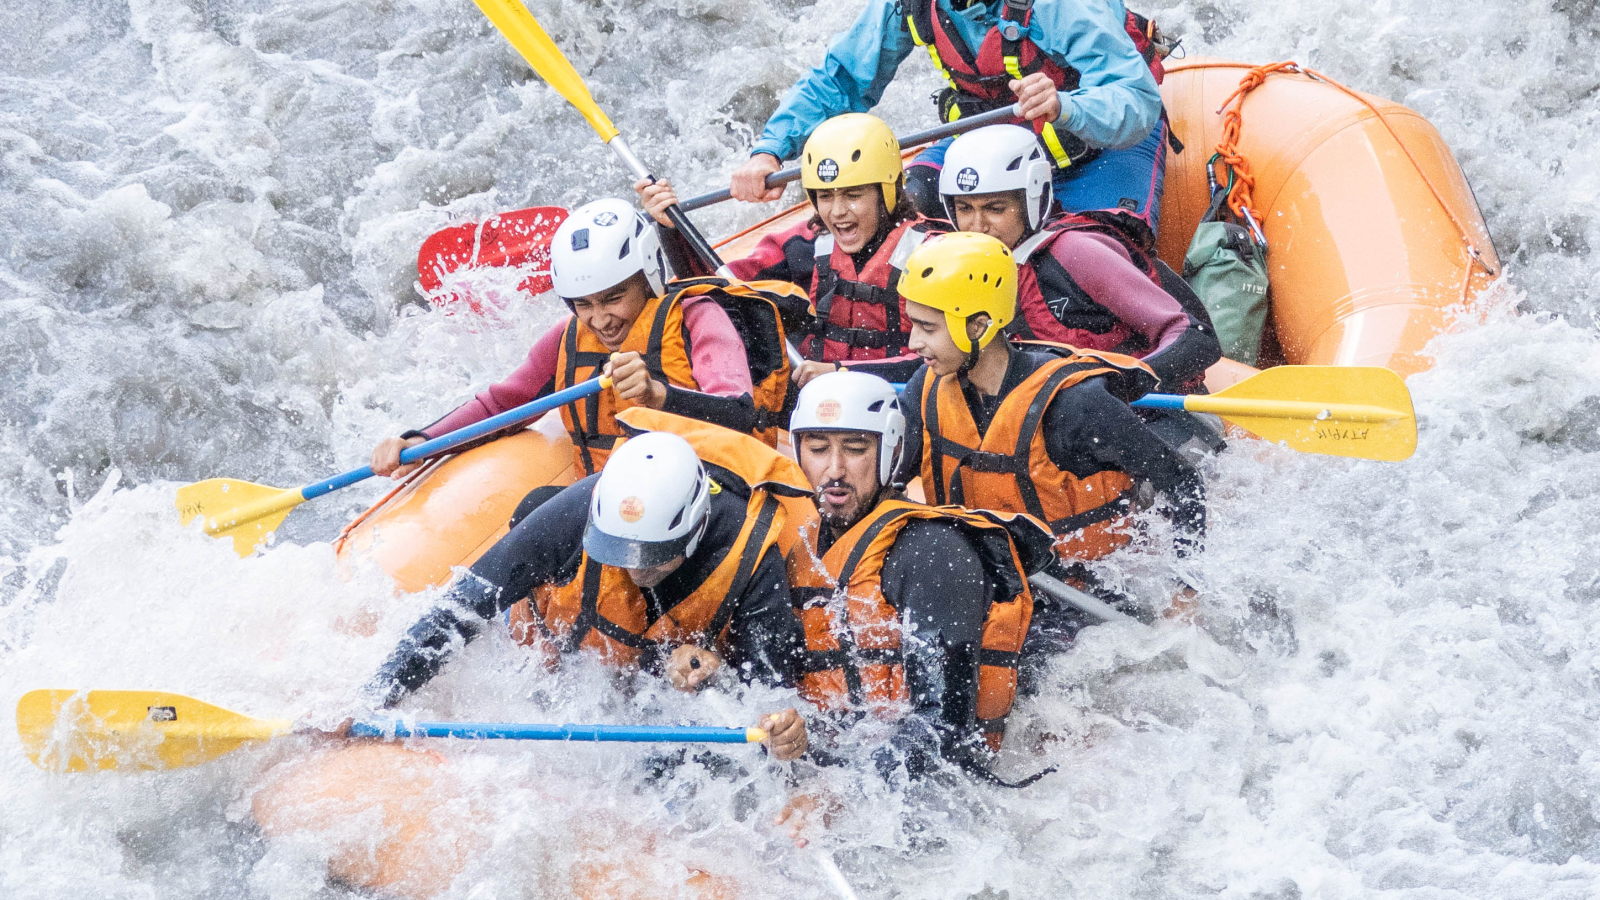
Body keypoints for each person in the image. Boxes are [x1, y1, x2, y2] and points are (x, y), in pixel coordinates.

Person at [358, 428, 810, 760]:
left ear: (693, 528)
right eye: (622, 553)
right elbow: (459, 610)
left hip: (660, 702)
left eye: (654, 557)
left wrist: (721, 674)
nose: (635, 569)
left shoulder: (751, 558)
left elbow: (770, 700)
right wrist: (374, 698)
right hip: (560, 670)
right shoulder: (572, 516)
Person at [895, 232, 1204, 630]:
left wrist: (1186, 588)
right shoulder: (927, 387)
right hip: (993, 591)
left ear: (978, 326)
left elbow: (1183, 483)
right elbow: (888, 482)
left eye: (928, 328)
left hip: (1090, 603)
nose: (913, 342)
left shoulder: (1075, 406)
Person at [370, 197, 795, 479]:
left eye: (613, 298)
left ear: (647, 277)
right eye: (583, 304)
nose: (600, 319)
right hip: (616, 502)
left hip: (707, 491)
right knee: (532, 508)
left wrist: (658, 395)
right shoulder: (568, 338)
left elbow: (738, 413)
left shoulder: (698, 319)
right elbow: (501, 405)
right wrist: (423, 441)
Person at [780, 370, 1055, 785]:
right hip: (848, 766)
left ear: (891, 451)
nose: (834, 470)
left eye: (855, 449)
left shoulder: (933, 551)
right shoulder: (798, 544)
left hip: (936, 792)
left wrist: (836, 795)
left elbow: (942, 728)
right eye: (818, 449)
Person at [727, 0, 1172, 239]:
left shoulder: (1062, 5)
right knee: (896, 213)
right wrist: (770, 150)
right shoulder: (910, 3)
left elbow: (1134, 98)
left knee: (1098, 251)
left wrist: (1067, 107)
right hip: (995, 139)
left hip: (1100, 146)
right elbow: (841, 78)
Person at [638, 114, 943, 388]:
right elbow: (714, 291)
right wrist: (671, 229)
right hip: (818, 399)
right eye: (824, 196)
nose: (837, 212)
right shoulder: (805, 245)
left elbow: (940, 362)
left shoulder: (932, 256)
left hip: (898, 399)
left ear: (887, 191)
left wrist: (840, 372)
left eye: (853, 195)